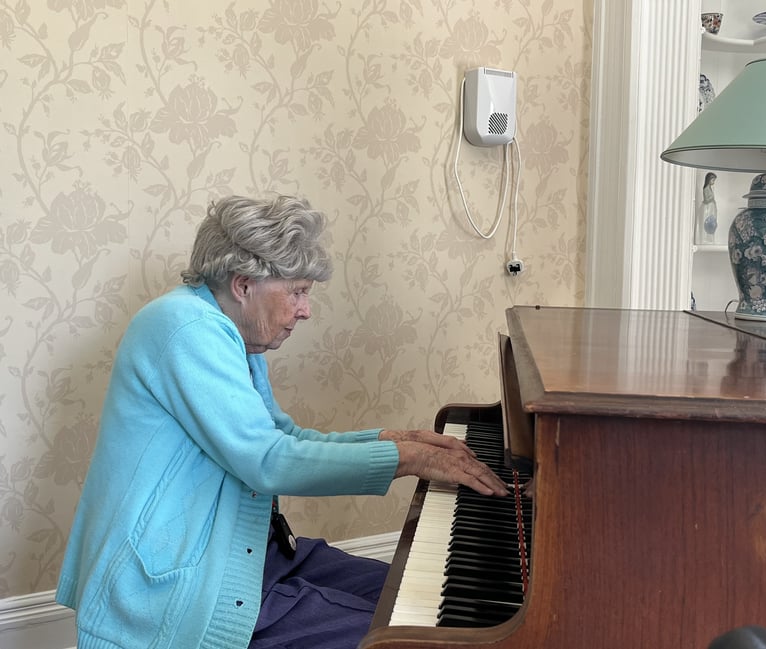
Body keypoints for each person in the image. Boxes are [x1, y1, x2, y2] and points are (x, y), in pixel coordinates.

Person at [55, 194, 509, 649]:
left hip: (256, 551)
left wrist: (395, 438)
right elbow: (268, 461)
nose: (306, 310)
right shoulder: (185, 327)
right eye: (297, 291)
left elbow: (282, 437)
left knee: (421, 597)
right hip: (179, 583)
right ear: (243, 284)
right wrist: (407, 458)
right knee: (422, 631)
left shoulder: (233, 335)